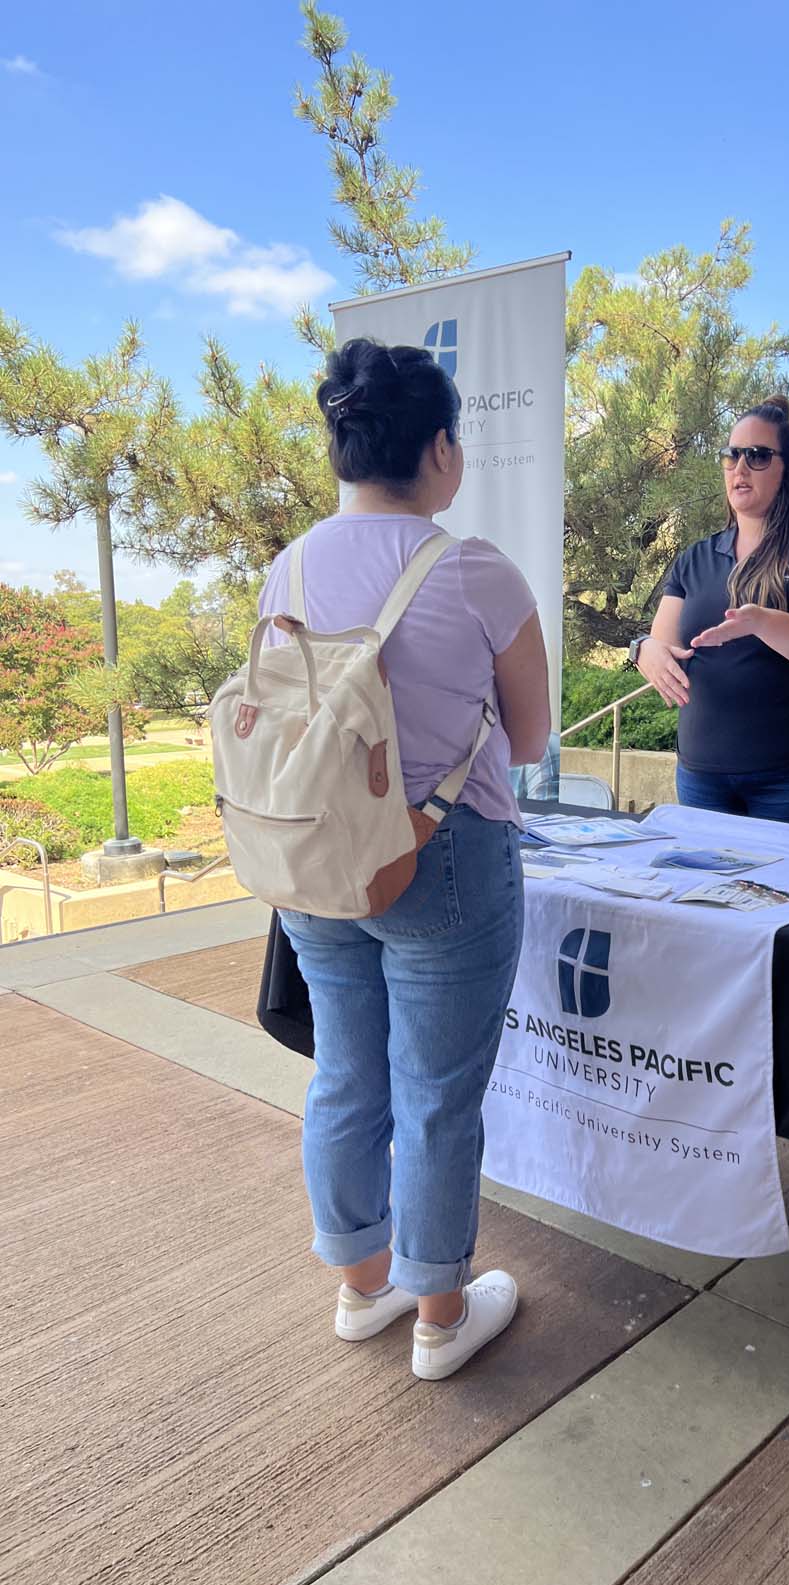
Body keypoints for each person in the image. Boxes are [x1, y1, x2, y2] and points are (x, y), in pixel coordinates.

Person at [257, 338, 551, 1379]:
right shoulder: (474, 570)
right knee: (437, 1093)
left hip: (315, 855)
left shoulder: (284, 568)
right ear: (440, 450)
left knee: (347, 1072)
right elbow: (525, 741)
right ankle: (439, 1316)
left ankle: (362, 1288)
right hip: (444, 857)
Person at [630, 395, 789, 832]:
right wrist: (643, 650)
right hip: (703, 780)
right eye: (731, 455)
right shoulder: (695, 559)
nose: (740, 467)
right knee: (708, 901)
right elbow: (662, 644)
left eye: (758, 456)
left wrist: (764, 623)